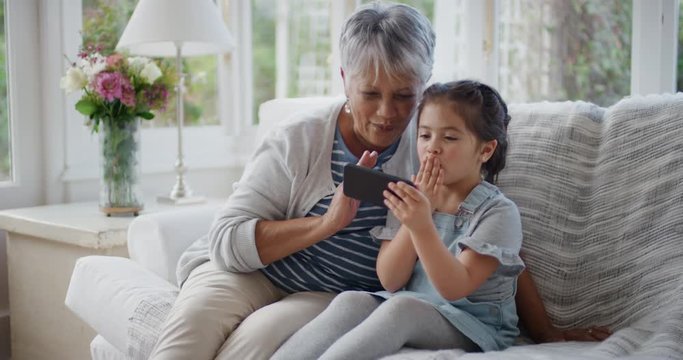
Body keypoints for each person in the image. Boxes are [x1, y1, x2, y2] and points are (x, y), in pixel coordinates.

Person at [149, 3, 435, 359]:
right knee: (192, 327)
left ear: (425, 85)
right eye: (371, 94)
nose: (386, 113)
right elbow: (226, 239)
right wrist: (327, 223)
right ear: (345, 80)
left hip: (330, 295)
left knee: (258, 339)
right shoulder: (299, 138)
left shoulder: (433, 146)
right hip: (250, 271)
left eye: (404, 95)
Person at [272, 80, 523, 359]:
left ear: (485, 151)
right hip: (415, 303)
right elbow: (391, 280)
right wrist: (414, 218)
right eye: (425, 135)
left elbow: (455, 288)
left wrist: (422, 225)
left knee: (402, 309)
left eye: (449, 138)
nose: (432, 148)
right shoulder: (411, 195)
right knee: (351, 301)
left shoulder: (498, 212)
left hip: (472, 323)